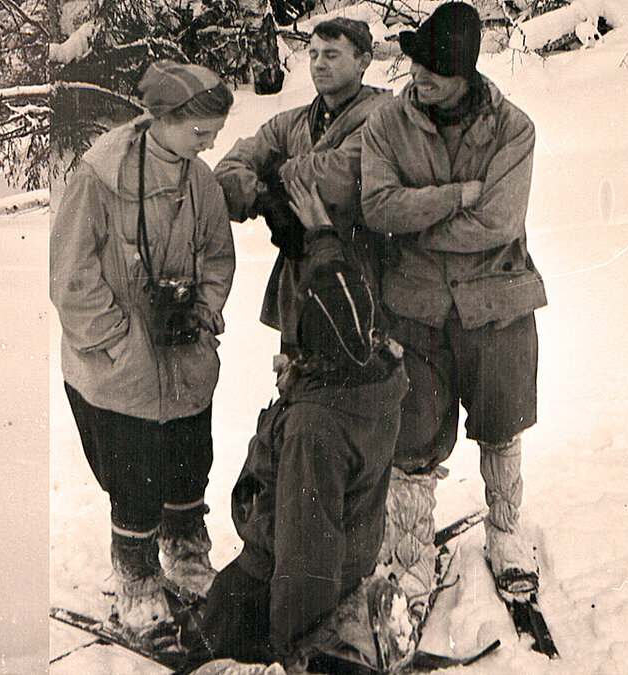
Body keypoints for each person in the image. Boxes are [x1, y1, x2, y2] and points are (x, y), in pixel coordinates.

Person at [359, 1, 546, 621]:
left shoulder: (514, 128)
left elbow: (499, 222)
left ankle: (506, 532)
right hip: (413, 305)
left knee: (502, 419)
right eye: (416, 65)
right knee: (411, 437)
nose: (420, 78)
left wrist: (420, 220)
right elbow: (378, 207)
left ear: (467, 71)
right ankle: (411, 555)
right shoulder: (387, 124)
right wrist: (457, 196)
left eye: (436, 70)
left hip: (497, 299)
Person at [186, 181, 409, 672]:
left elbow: (306, 554)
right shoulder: (375, 366)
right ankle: (349, 616)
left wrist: (293, 653)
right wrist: (323, 236)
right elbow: (339, 282)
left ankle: (315, 646)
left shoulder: (316, 428)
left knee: (205, 641)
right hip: (352, 552)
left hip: (282, 568)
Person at [49, 60, 236, 643]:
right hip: (118, 363)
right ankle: (135, 579)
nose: (210, 144)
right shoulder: (100, 176)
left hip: (183, 356)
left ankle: (184, 552)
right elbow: (71, 275)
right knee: (133, 475)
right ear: (163, 118)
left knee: (188, 455)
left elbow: (217, 257)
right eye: (200, 132)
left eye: (215, 133)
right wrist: (118, 340)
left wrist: (203, 314)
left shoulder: (198, 179)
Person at [214, 17, 390, 359]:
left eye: (332, 54)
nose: (319, 64)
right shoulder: (291, 122)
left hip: (363, 280)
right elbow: (226, 172)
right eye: (312, 54)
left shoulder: (383, 119)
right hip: (300, 285)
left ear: (363, 61)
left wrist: (274, 171)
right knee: (298, 392)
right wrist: (266, 197)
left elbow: (338, 180)